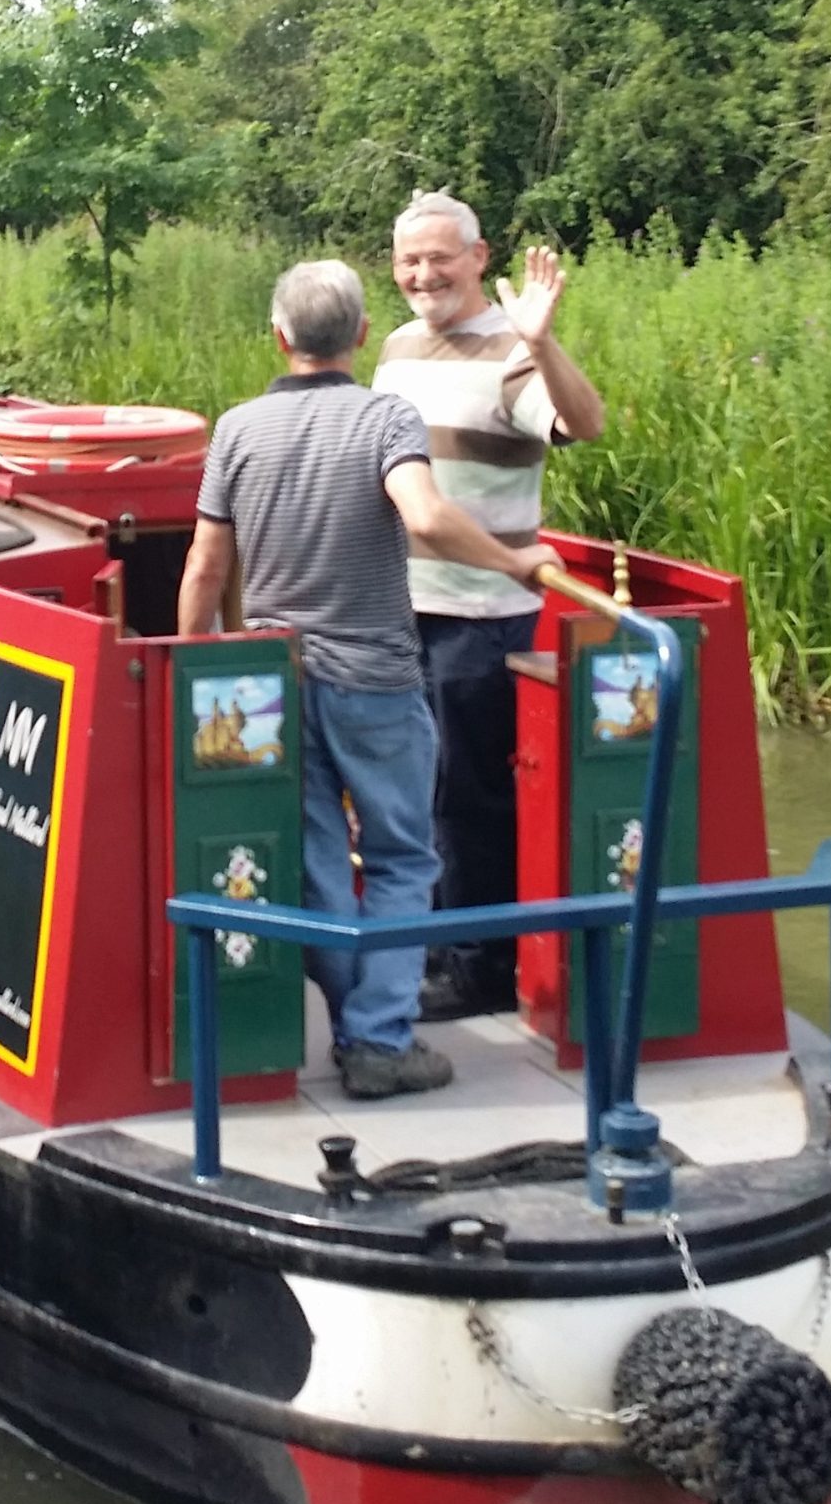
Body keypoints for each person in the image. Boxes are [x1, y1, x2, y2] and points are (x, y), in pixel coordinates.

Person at [177, 261, 560, 1100]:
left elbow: (206, 565)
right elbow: (423, 516)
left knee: (316, 860)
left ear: (278, 337)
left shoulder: (236, 428)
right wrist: (514, 564)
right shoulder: (386, 415)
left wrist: (201, 659)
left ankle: (356, 1021)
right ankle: (379, 1040)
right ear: (358, 337)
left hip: (270, 683)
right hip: (376, 677)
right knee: (399, 858)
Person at [373, 192, 604, 1021]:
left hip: (478, 607)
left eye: (439, 257)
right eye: (408, 260)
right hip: (402, 607)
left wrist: (542, 343)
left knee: (465, 794)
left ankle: (477, 968)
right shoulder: (397, 347)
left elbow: (587, 422)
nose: (422, 274)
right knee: (414, 789)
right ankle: (435, 946)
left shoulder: (511, 351)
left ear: (478, 257)